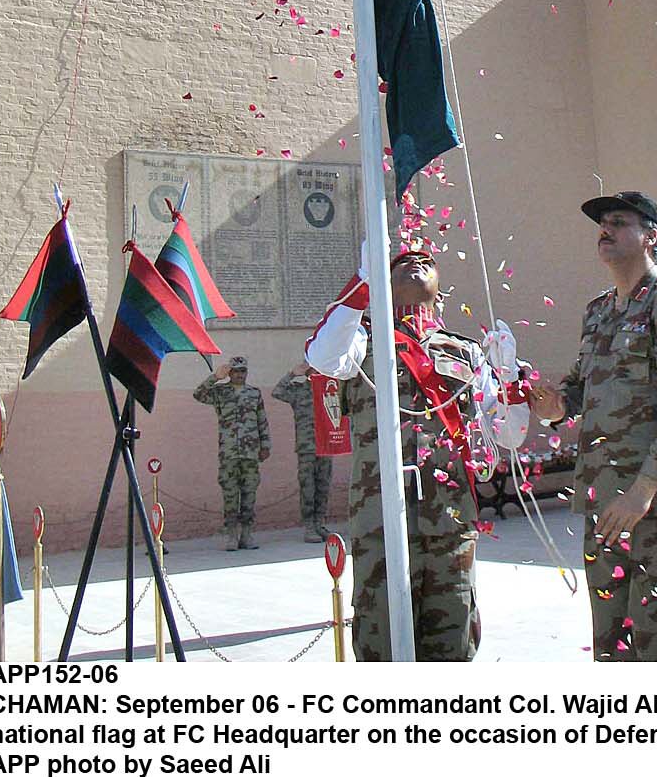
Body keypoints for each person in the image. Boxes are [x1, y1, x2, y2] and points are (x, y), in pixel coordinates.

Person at [305, 244, 530, 662]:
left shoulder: (467, 351)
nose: (415, 260)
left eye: (427, 260)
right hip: (381, 523)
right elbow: (321, 356)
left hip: (450, 522)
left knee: (453, 640)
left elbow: (510, 435)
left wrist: (509, 374)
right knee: (382, 640)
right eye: (399, 262)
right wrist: (363, 281)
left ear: (440, 294)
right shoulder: (361, 341)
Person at [529, 192, 657, 661]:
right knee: (613, 652)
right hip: (606, 506)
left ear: (651, 236)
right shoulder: (598, 312)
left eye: (618, 222)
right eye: (601, 224)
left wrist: (643, 489)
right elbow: (580, 387)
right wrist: (554, 407)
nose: (604, 230)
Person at [193, 355, 271, 551]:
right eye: (235, 371)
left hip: (251, 454)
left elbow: (262, 420)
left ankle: (247, 534)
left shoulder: (254, 393)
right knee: (229, 495)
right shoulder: (220, 392)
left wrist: (265, 445)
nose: (239, 374)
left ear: (246, 372)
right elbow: (198, 394)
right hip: (228, 453)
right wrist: (215, 378)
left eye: (242, 371)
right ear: (230, 373)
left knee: (249, 494)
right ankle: (231, 535)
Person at [271, 363, 333, 544]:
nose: (317, 373)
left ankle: (320, 523)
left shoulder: (329, 391)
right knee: (308, 487)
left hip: (326, 445)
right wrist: (291, 373)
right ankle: (309, 526)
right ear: (307, 372)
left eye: (320, 370)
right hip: (306, 447)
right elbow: (277, 392)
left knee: (323, 486)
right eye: (314, 370)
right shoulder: (297, 391)